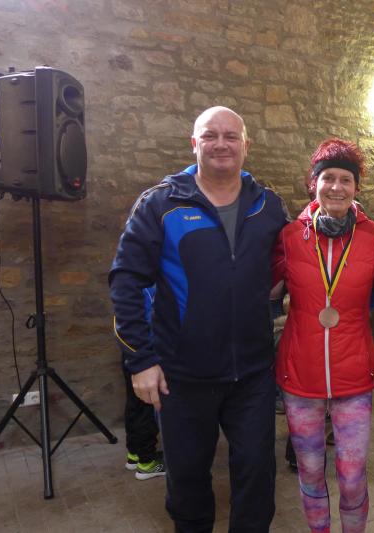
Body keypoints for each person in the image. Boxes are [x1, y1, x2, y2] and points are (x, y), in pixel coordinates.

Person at [110, 106, 288, 532]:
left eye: (231, 136)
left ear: (246, 145)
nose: (221, 144)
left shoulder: (268, 205)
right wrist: (140, 361)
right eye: (210, 136)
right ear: (194, 144)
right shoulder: (160, 204)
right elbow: (125, 281)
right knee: (188, 483)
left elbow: (299, 254)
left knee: (257, 478)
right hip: (182, 377)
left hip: (253, 375)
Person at [272, 138, 374, 533]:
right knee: (311, 474)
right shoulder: (289, 237)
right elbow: (258, 287)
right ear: (313, 183)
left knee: (352, 476)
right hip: (301, 375)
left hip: (354, 377)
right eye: (327, 178)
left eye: (345, 179)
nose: (336, 186)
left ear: (356, 187)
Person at [122, 286, 165, 480]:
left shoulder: (130, 283)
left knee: (135, 403)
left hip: (130, 351)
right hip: (146, 354)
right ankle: (147, 463)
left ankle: (135, 453)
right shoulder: (148, 283)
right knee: (147, 406)